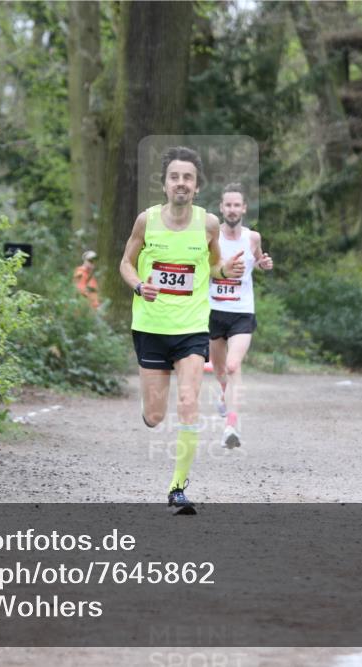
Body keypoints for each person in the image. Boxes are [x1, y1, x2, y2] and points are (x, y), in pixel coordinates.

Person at [120, 146, 245, 514]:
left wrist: (226, 272)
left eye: (187, 177)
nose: (181, 183)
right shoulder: (146, 221)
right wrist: (140, 285)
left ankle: (177, 488)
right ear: (164, 183)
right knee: (155, 416)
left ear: (196, 185)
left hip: (191, 328)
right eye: (174, 176)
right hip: (151, 325)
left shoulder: (207, 224)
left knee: (189, 402)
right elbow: (125, 263)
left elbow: (215, 265)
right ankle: (148, 410)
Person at [208, 183, 273, 449]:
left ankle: (230, 427)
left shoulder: (252, 237)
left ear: (244, 208)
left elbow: (257, 259)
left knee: (233, 366)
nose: (233, 209)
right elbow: (204, 265)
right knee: (221, 371)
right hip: (213, 311)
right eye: (228, 205)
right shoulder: (211, 237)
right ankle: (224, 396)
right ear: (222, 208)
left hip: (242, 312)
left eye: (237, 205)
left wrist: (263, 263)